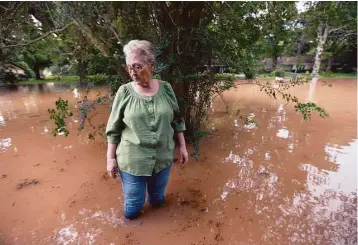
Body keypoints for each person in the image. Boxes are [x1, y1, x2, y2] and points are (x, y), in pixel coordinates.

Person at [105, 40, 189, 220]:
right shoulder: (124, 92)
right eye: (129, 67)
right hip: (133, 161)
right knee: (133, 209)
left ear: (152, 65)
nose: (132, 72)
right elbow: (113, 128)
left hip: (163, 157)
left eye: (137, 66)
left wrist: (182, 147)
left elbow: (177, 119)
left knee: (158, 200)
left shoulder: (166, 88)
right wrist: (110, 158)